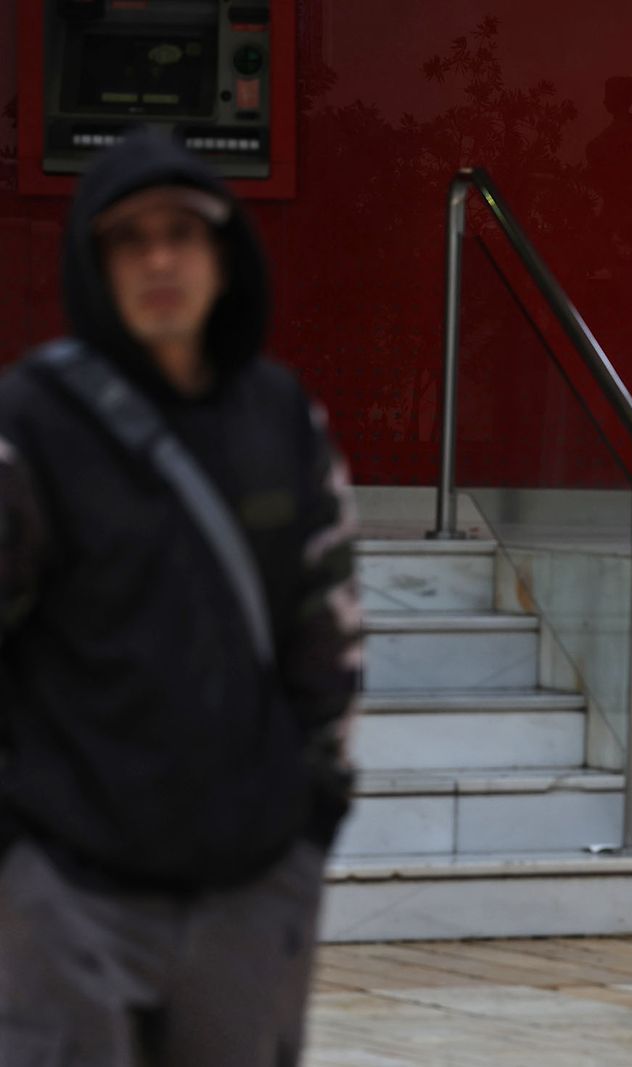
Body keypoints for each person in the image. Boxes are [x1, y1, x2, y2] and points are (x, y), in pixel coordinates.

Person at [0, 131, 361, 1065]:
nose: (159, 259)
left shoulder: (282, 418)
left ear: (224, 256)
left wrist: (312, 824)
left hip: (249, 888)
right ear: (93, 261)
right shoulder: (33, 426)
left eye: (183, 234)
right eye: (129, 238)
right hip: (70, 892)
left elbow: (327, 636)